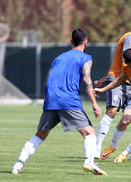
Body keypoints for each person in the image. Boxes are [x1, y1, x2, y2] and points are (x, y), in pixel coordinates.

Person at [11, 29, 107, 175]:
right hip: (68, 100)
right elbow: (87, 80)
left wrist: (48, 101)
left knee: (40, 135)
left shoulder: (59, 58)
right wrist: (94, 103)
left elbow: (46, 82)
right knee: (89, 133)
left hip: (52, 100)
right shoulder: (86, 58)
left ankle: (18, 164)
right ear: (86, 42)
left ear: (71, 41)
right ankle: (89, 162)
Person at [94, 12, 131, 160]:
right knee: (112, 111)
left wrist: (104, 78)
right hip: (120, 81)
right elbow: (124, 64)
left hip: (124, 80)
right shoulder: (130, 38)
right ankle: (97, 149)